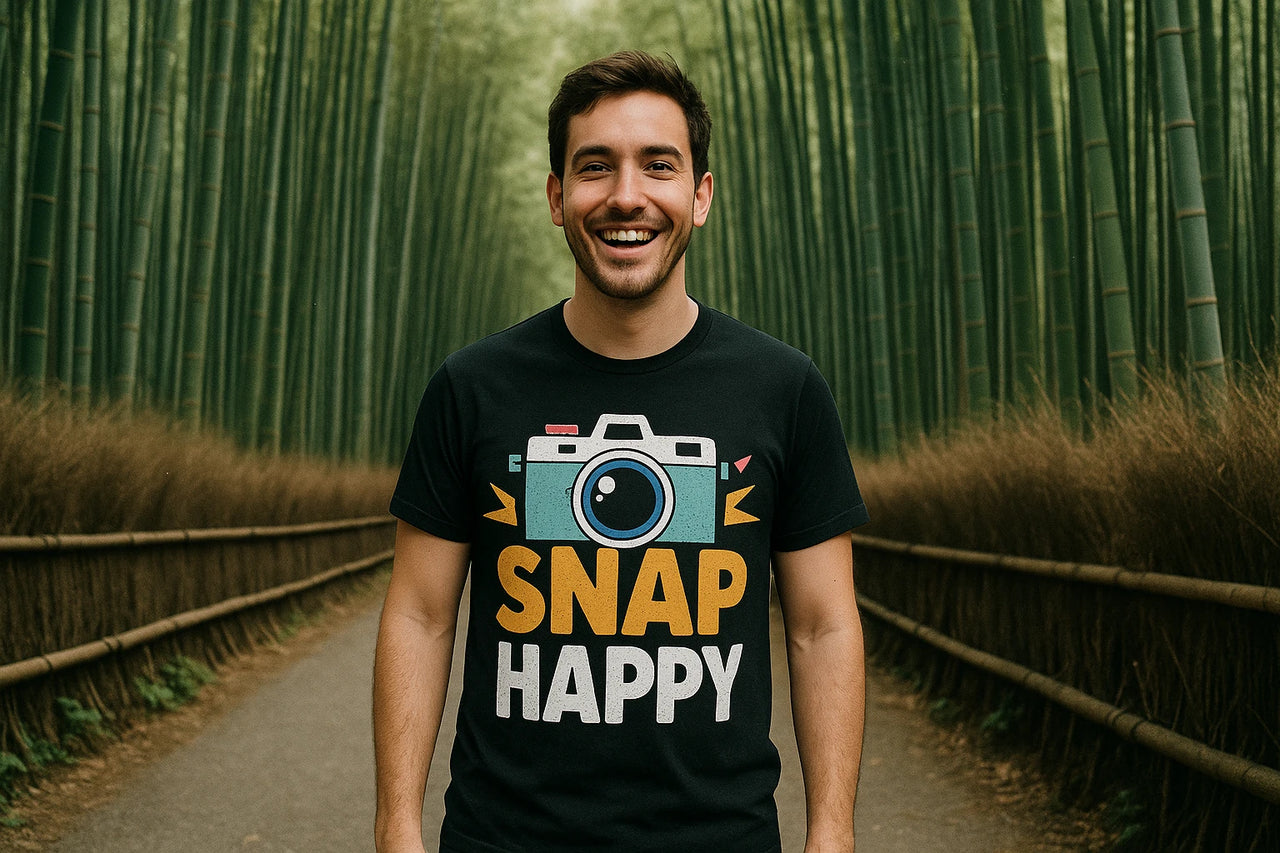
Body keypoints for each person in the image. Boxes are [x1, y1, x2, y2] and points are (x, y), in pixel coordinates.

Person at [373, 49, 869, 853]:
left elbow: (822, 626)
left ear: (700, 195)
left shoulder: (782, 388)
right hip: (504, 836)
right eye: (594, 167)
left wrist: (832, 836)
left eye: (659, 165)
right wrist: (396, 827)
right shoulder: (475, 386)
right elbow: (422, 614)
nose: (626, 196)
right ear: (557, 196)